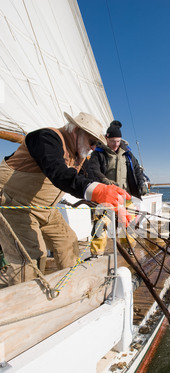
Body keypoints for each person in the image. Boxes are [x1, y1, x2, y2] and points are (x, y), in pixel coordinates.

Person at [0, 112, 131, 287]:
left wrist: (111, 198)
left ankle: (67, 288)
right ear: (77, 131)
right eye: (92, 141)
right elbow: (58, 172)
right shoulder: (46, 138)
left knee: (68, 243)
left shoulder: (80, 154)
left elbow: (89, 179)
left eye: (96, 143)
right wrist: (97, 191)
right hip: (13, 204)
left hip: (45, 209)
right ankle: (23, 306)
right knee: (30, 257)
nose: (93, 147)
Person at [83, 120, 147, 255]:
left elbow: (137, 170)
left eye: (118, 141)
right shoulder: (98, 153)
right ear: (106, 138)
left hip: (125, 196)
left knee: (128, 223)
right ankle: (96, 253)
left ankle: (129, 248)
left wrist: (141, 183)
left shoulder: (127, 154)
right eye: (113, 141)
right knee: (101, 223)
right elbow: (92, 169)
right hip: (107, 197)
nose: (116, 144)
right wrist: (105, 180)